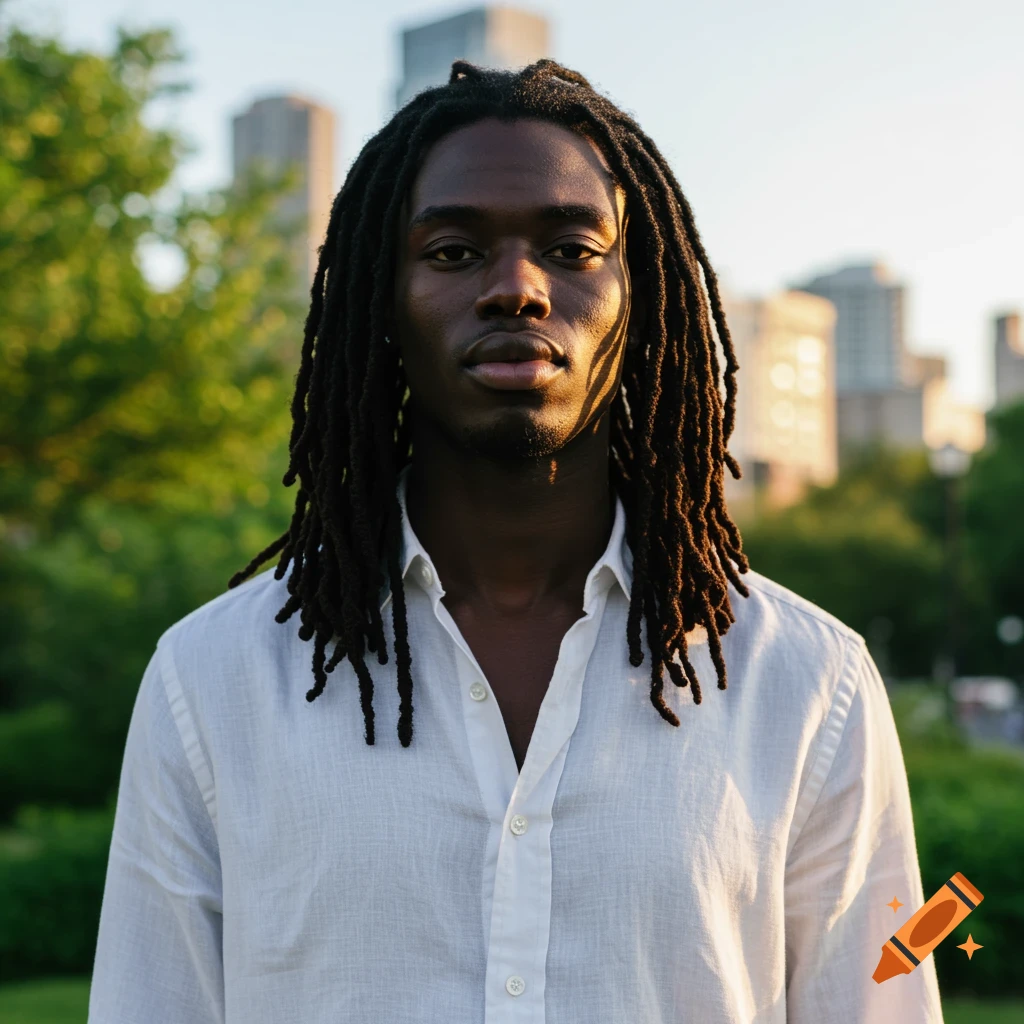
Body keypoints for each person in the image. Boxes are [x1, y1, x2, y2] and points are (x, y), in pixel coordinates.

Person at [89, 60, 943, 1023]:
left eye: (573, 249)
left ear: (644, 293)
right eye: (452, 253)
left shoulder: (807, 685)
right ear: (381, 299)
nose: (517, 290)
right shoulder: (212, 681)